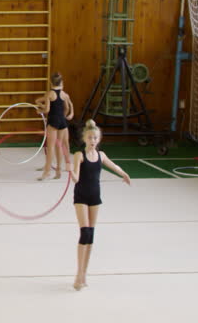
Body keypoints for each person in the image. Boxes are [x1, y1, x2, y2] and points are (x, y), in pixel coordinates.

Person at [69, 119, 131, 290]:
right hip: (81, 196)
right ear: (84, 138)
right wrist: (71, 172)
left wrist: (123, 174)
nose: (93, 140)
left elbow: (113, 165)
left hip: (95, 197)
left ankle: (84, 273)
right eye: (90, 137)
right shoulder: (79, 155)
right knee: (84, 232)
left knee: (91, 236)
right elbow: (76, 178)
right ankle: (78, 273)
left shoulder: (101, 155)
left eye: (95, 138)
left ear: (99, 139)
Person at [35, 72, 74, 180]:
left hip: (53, 121)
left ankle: (47, 172)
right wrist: (63, 116)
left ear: (50, 82)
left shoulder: (49, 94)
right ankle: (58, 170)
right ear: (61, 82)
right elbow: (66, 108)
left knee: (51, 147)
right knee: (59, 146)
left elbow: (47, 110)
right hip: (62, 121)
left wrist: (40, 110)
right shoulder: (64, 94)